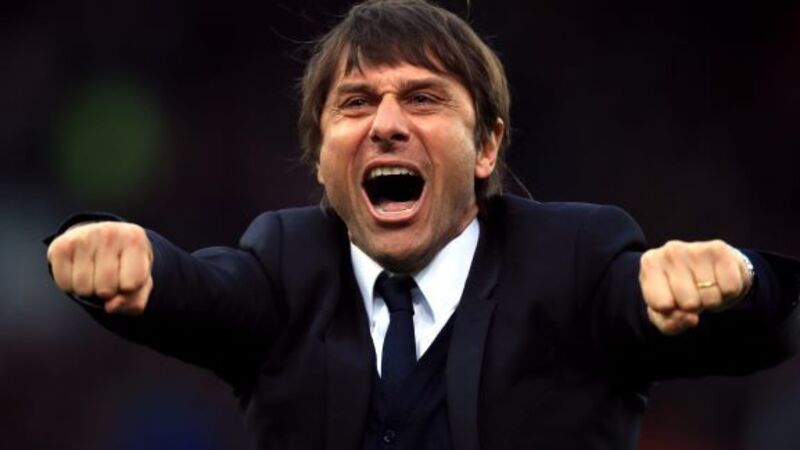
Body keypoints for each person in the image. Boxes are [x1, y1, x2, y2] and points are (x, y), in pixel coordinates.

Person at [45, 1, 800, 449]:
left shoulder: (573, 256)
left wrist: (735, 280)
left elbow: (761, 329)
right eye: (355, 102)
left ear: (487, 146)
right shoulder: (283, 263)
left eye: (423, 98)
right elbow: (194, 287)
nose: (386, 124)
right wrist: (118, 251)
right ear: (320, 161)